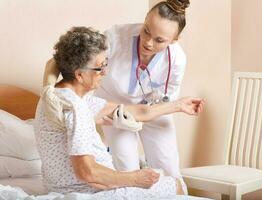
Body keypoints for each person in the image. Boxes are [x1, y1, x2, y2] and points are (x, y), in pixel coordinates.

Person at [43, 0, 205, 192]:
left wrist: (178, 105)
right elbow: (62, 59)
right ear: (144, 21)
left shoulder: (177, 60)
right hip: (114, 107)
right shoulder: (115, 37)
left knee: (169, 168)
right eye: (146, 31)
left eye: (159, 40)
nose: (148, 42)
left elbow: (160, 103)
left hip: (153, 108)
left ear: (174, 40)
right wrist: (48, 94)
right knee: (127, 171)